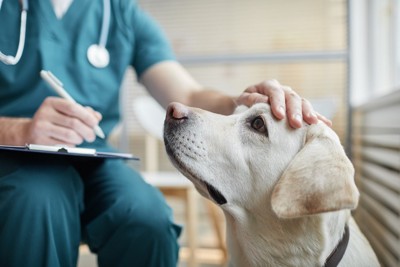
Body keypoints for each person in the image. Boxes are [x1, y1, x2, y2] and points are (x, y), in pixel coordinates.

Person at [0, 0, 331, 267]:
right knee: (35, 203)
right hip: (12, 157)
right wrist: (19, 129)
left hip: (94, 156)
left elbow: (187, 95)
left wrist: (238, 101)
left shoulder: (120, 13)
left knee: (149, 219)